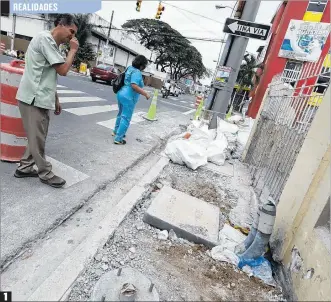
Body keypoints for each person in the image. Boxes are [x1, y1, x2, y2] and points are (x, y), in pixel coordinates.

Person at [14, 14, 79, 188]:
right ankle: (45, 172)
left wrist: (55, 98)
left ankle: (25, 167)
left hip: (38, 96)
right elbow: (63, 70)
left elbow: (47, 74)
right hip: (34, 98)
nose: (72, 37)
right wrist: (73, 50)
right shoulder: (45, 39)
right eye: (71, 31)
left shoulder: (51, 44)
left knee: (36, 136)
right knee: (38, 139)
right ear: (60, 25)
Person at [113, 55, 150, 145]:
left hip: (121, 93)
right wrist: (145, 93)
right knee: (126, 118)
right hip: (128, 97)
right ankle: (118, 138)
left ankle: (116, 131)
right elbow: (134, 85)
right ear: (142, 65)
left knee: (120, 114)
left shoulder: (129, 68)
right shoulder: (137, 72)